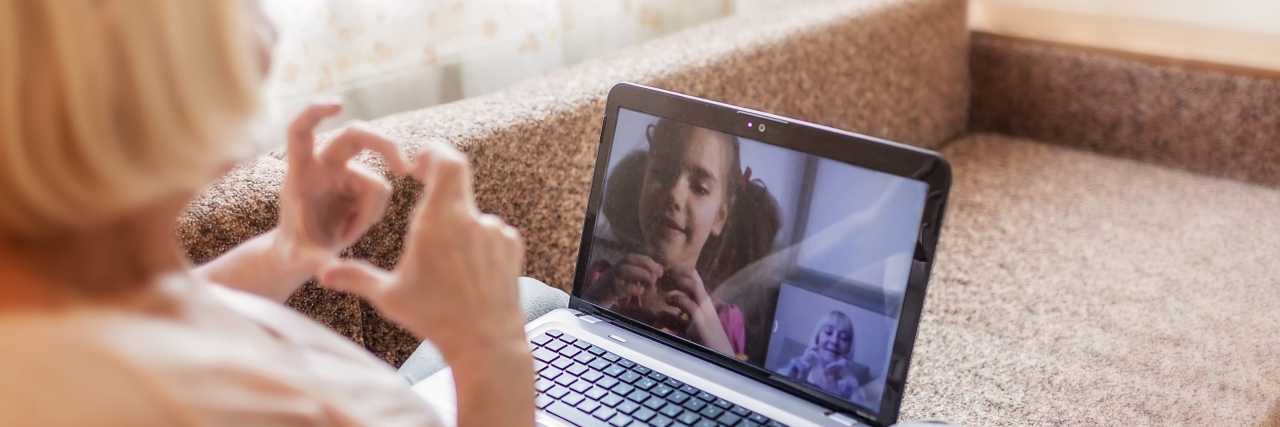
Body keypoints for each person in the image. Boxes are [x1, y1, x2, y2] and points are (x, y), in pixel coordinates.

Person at [0, 1, 531, 426]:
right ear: (131, 64)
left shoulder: (63, 285)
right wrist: (492, 352)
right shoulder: (229, 407)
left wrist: (289, 250)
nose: (270, 41)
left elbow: (140, 322)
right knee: (535, 302)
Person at [583, 118, 781, 359]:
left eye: (699, 187)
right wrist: (594, 302)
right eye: (662, 173)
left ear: (720, 216)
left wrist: (720, 352)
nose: (674, 195)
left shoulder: (723, 321)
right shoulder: (602, 282)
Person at [780, 311, 868, 405]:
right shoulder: (792, 372)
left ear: (849, 348)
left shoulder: (851, 391)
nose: (834, 341)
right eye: (828, 332)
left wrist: (854, 395)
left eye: (843, 337)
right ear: (817, 338)